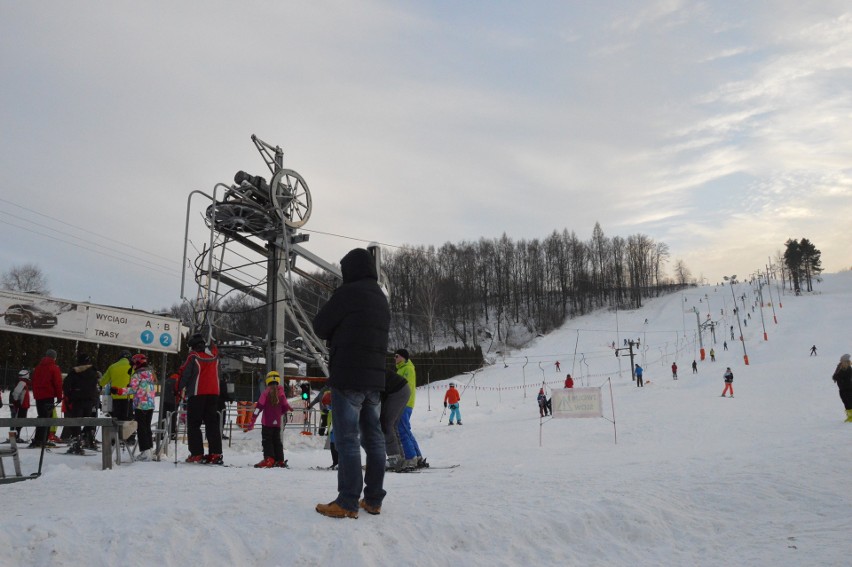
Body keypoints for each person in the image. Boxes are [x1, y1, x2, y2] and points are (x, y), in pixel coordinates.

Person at [312, 248, 390, 519]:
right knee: (375, 441)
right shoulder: (381, 298)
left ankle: (347, 501)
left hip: (348, 377)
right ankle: (373, 500)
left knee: (347, 440)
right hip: (375, 380)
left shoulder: (348, 293)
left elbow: (320, 326)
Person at [179, 333, 224, 464]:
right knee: (212, 424)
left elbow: (185, 374)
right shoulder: (214, 356)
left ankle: (197, 453)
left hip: (197, 393)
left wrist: (178, 388)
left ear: (193, 346)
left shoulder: (193, 357)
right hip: (214, 393)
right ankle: (215, 453)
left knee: (194, 424)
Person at [248, 371, 292, 468]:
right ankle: (280, 460)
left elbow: (258, 408)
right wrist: (278, 414)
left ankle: (269, 459)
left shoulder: (265, 393)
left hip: (267, 423)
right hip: (277, 424)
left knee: (267, 440)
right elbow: (285, 407)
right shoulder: (282, 393)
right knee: (277, 441)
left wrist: (252, 421)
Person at [62, 353, 101, 453]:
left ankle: (77, 442)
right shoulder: (94, 372)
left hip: (77, 400)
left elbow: (66, 385)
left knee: (76, 422)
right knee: (90, 421)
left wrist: (70, 396)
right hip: (90, 401)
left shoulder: (74, 372)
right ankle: (90, 439)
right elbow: (97, 387)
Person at [394, 348, 426, 469]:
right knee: (406, 429)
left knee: (402, 430)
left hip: (404, 403)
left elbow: (404, 386)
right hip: (403, 403)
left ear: (403, 357)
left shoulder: (407, 369)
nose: (395, 358)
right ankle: (417, 457)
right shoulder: (402, 369)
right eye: (394, 356)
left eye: (397, 356)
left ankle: (411, 458)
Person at [127, 354, 158, 461]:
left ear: (137, 363)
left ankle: (145, 452)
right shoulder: (150, 374)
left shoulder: (137, 375)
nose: (132, 366)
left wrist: (118, 390)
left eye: (133, 363)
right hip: (150, 404)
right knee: (147, 427)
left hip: (140, 404)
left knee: (141, 428)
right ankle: (149, 450)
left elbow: (132, 390)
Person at [31, 349, 63, 448]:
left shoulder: (38, 367)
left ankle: (38, 439)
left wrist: (36, 394)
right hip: (48, 396)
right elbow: (57, 383)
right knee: (48, 418)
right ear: (54, 357)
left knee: (41, 416)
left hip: (39, 396)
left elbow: (34, 382)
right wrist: (59, 396)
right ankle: (43, 440)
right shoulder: (54, 368)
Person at [381, 369, 410, 471]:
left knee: (387, 424)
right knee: (392, 425)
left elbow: (376, 396)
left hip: (397, 391)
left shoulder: (366, 373)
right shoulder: (370, 368)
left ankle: (394, 458)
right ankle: (400, 458)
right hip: (402, 389)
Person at [99, 351, 134, 425]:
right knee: (128, 422)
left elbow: (102, 382)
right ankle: (128, 436)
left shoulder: (112, 367)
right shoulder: (133, 367)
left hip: (116, 398)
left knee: (117, 421)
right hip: (128, 398)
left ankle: (117, 435)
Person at [9, 369, 32, 440]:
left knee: (18, 421)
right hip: (22, 405)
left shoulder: (22, 382)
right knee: (19, 422)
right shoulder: (22, 382)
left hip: (22, 405)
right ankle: (15, 437)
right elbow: (16, 392)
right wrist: (16, 401)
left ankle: (14, 437)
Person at [831, 354, 852, 422]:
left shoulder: (848, 369)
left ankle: (851, 417)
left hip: (848, 389)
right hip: (842, 389)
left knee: (849, 402)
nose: (840, 362)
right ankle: (849, 416)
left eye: (841, 361)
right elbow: (835, 376)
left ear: (845, 361)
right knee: (845, 402)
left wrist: (837, 377)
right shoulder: (840, 368)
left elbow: (839, 377)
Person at [218, 375, 233, 440]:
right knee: (222, 419)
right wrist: (229, 399)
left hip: (213, 402)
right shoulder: (223, 384)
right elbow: (224, 393)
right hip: (220, 404)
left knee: (216, 419)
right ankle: (220, 433)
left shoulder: (216, 382)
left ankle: (216, 433)